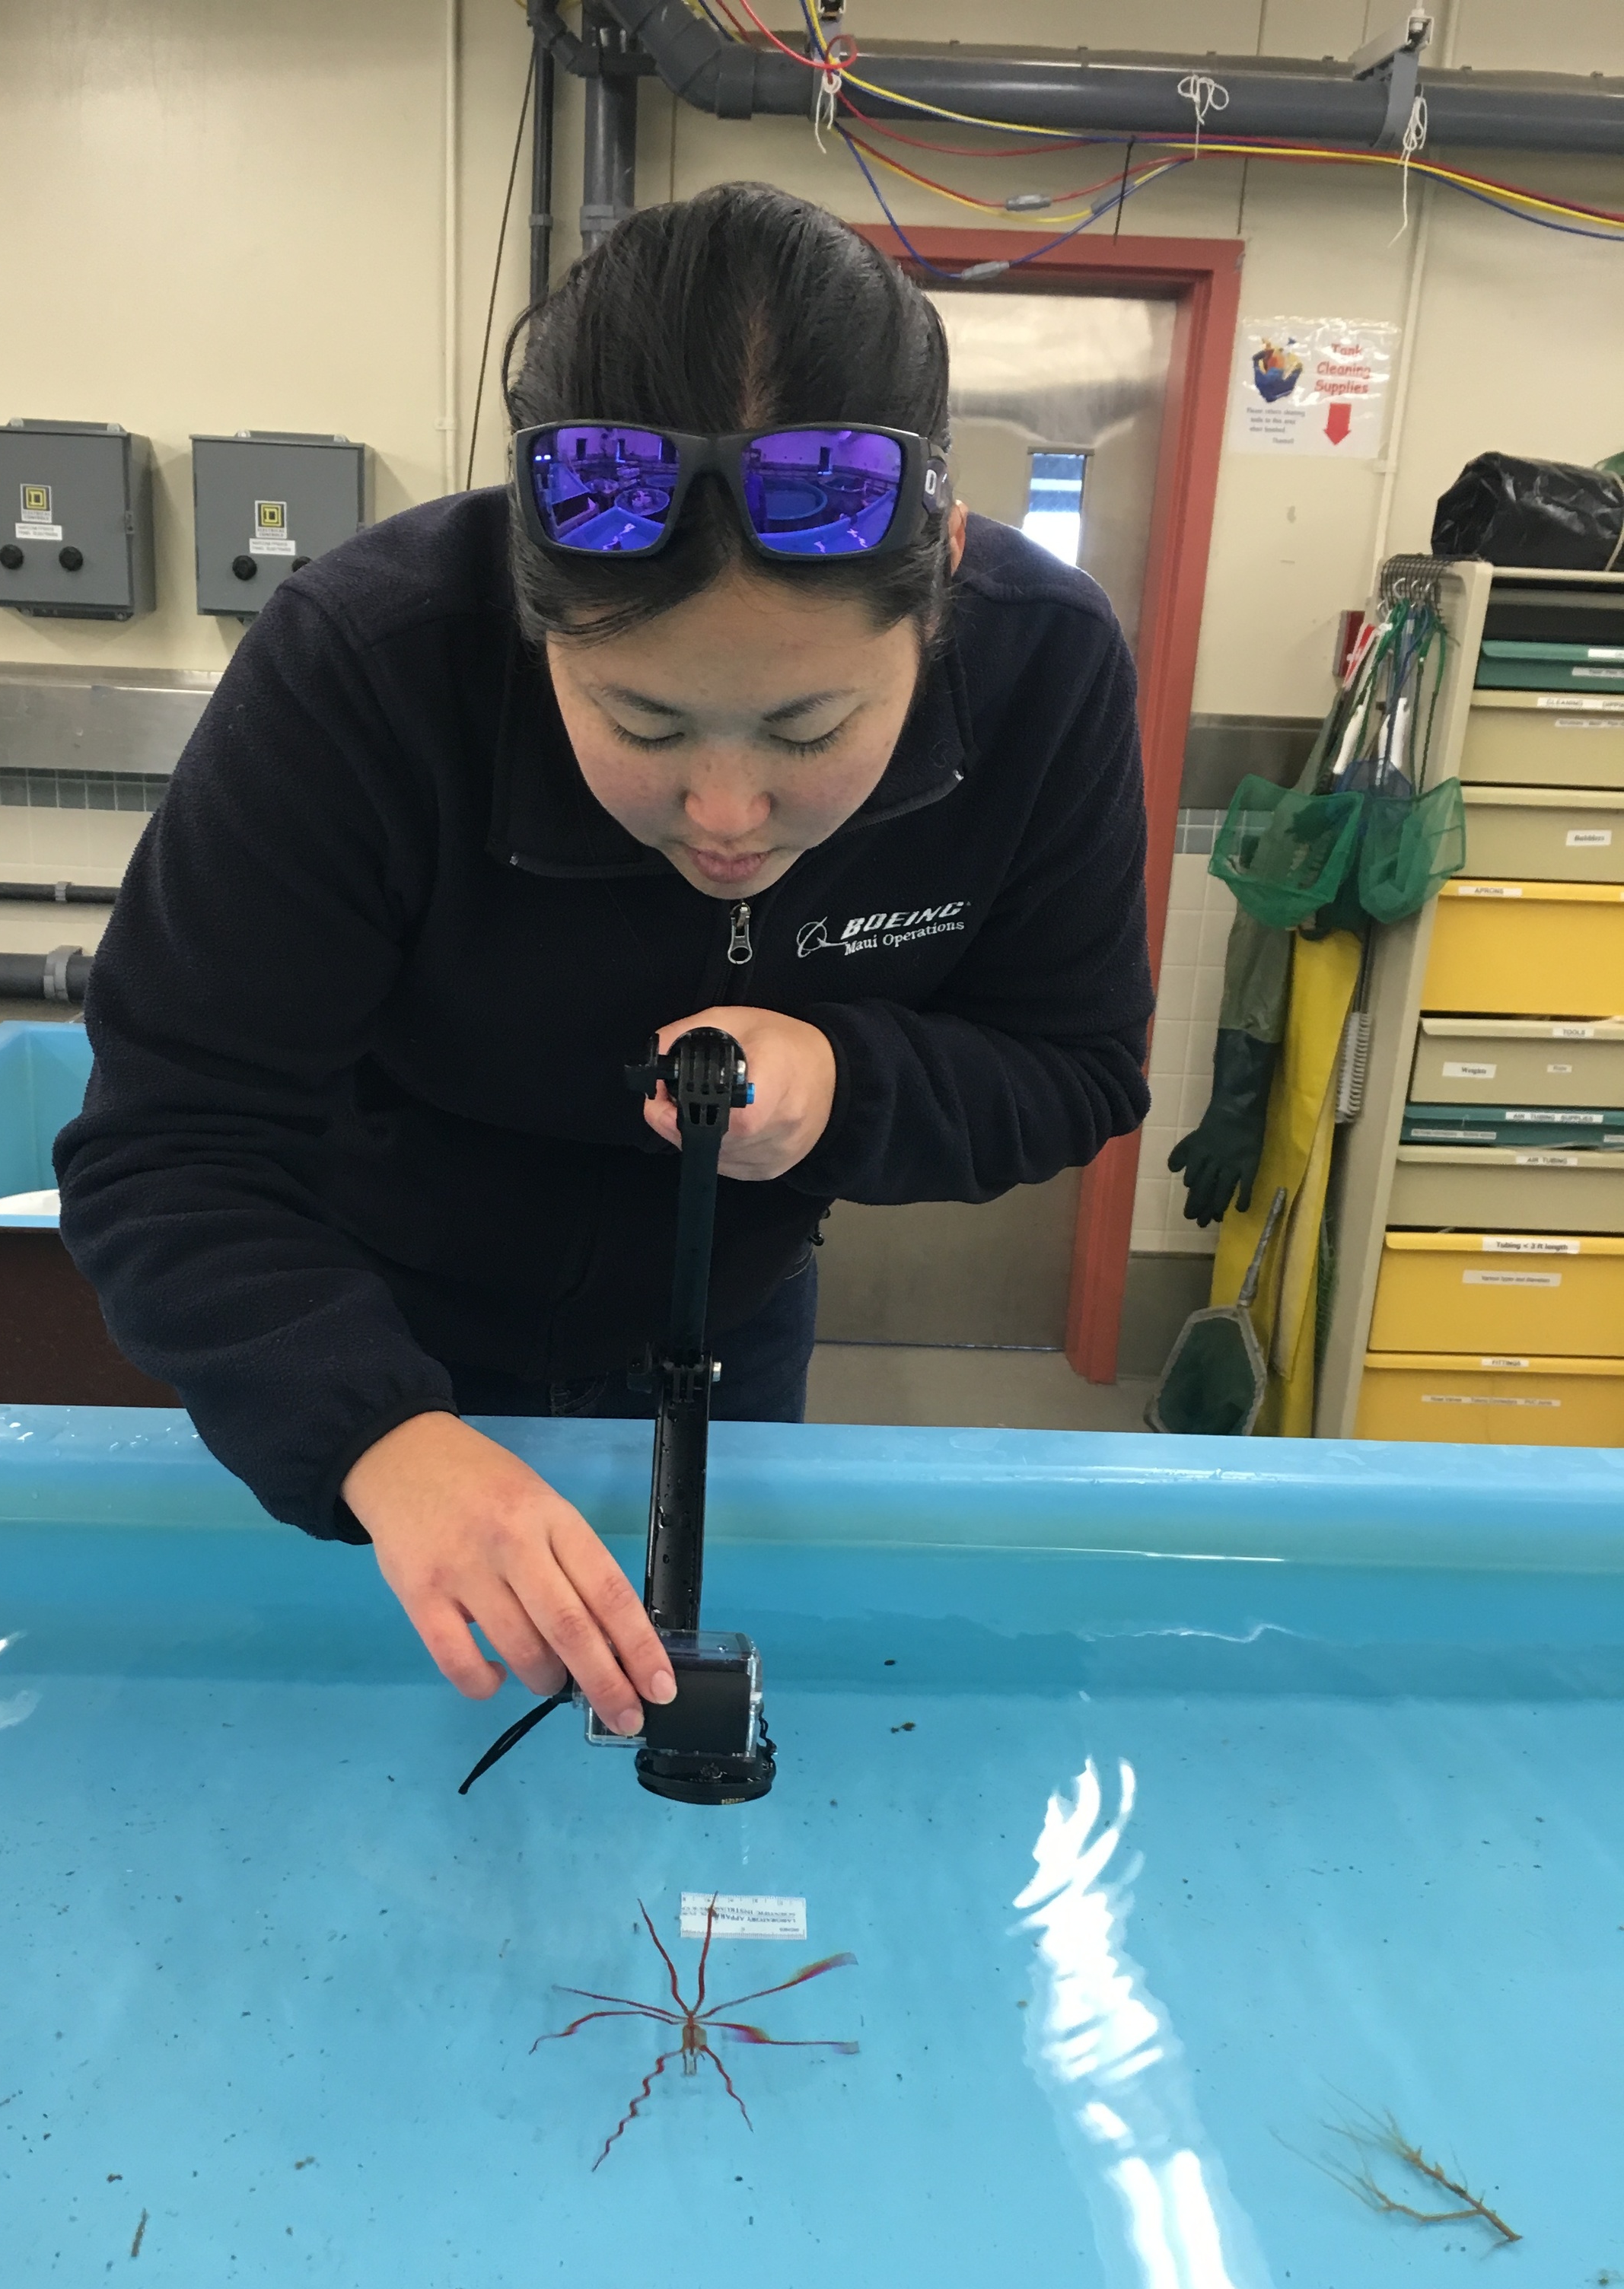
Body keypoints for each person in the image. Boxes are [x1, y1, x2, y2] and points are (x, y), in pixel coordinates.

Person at [56, 182, 1152, 1745]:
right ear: (530, 613)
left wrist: (845, 1084)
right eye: (638, 725)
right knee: (378, 1748)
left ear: (943, 578)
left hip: (723, 1312)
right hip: (364, 1311)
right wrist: (374, 1431)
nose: (723, 813)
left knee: (667, 1724)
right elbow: (167, 1141)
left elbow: (1076, 1061)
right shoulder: (360, 668)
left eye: (807, 730)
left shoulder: (1044, 672)